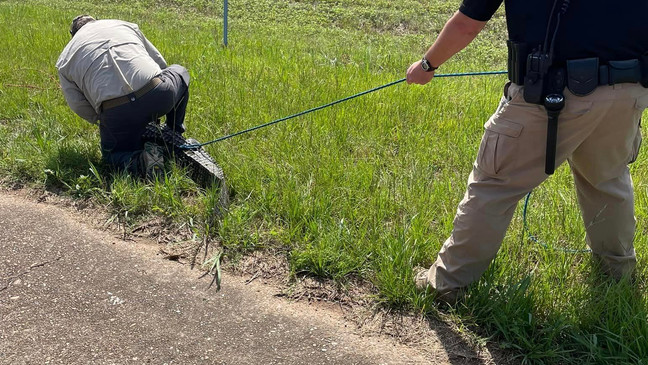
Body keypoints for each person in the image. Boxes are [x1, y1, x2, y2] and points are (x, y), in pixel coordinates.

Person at [407, 0, 648, 303]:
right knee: (608, 182)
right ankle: (618, 277)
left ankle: (446, 283)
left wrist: (427, 65)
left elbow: (467, 24)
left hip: (551, 95)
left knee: (494, 185)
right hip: (628, 92)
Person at [56, 15, 190, 178]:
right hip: (157, 93)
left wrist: (103, 120)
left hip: (116, 112)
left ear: (72, 35)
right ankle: (173, 132)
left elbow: (77, 104)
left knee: (113, 156)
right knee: (180, 71)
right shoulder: (124, 25)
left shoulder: (64, 58)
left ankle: (139, 161)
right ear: (96, 20)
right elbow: (160, 64)